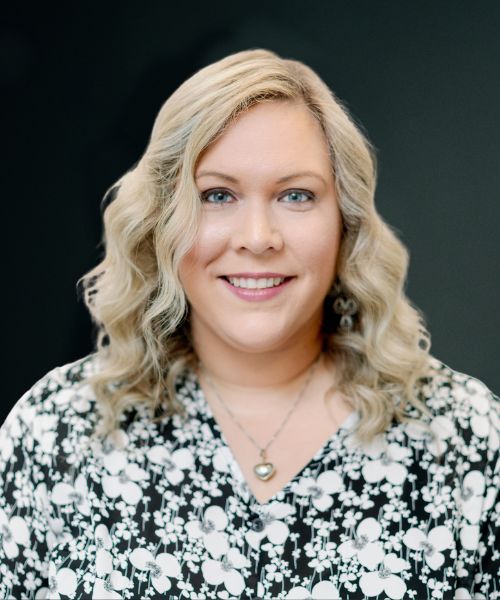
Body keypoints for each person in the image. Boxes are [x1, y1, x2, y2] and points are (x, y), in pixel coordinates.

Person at [0, 49, 498, 600]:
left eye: (295, 195)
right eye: (217, 195)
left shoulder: (465, 436)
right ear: (161, 221)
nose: (258, 237)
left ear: (346, 223)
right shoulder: (54, 433)